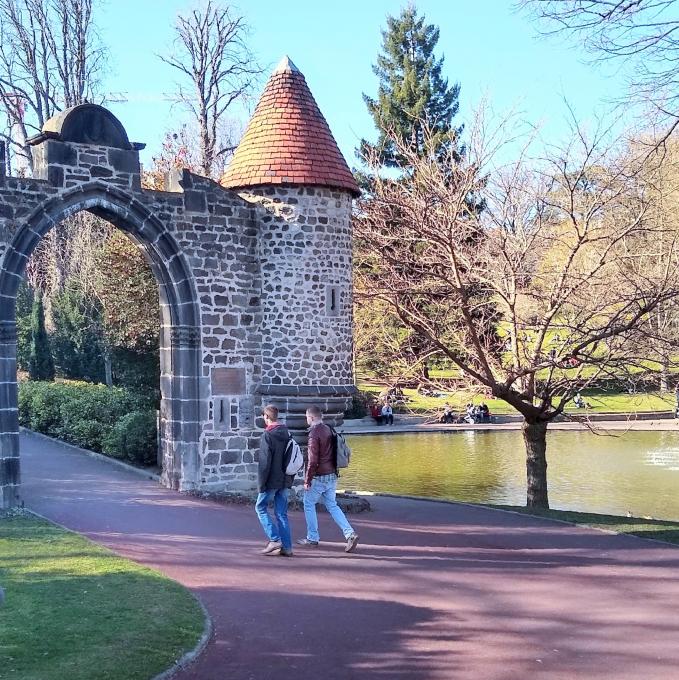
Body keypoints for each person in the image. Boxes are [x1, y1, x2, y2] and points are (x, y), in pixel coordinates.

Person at [297, 405, 359, 552]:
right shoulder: (328, 429)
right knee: (332, 505)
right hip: (332, 474)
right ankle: (349, 533)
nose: (306, 419)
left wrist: (307, 480)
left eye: (307, 417)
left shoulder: (313, 434)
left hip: (319, 476)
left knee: (308, 503)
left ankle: (312, 538)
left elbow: (312, 461)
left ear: (311, 417)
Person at [255, 404, 294, 557]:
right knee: (281, 514)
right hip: (285, 479)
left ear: (266, 417)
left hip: (272, 480)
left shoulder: (268, 435)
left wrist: (261, 484)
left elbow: (264, 463)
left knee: (260, 507)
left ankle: (274, 539)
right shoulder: (287, 433)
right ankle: (288, 547)